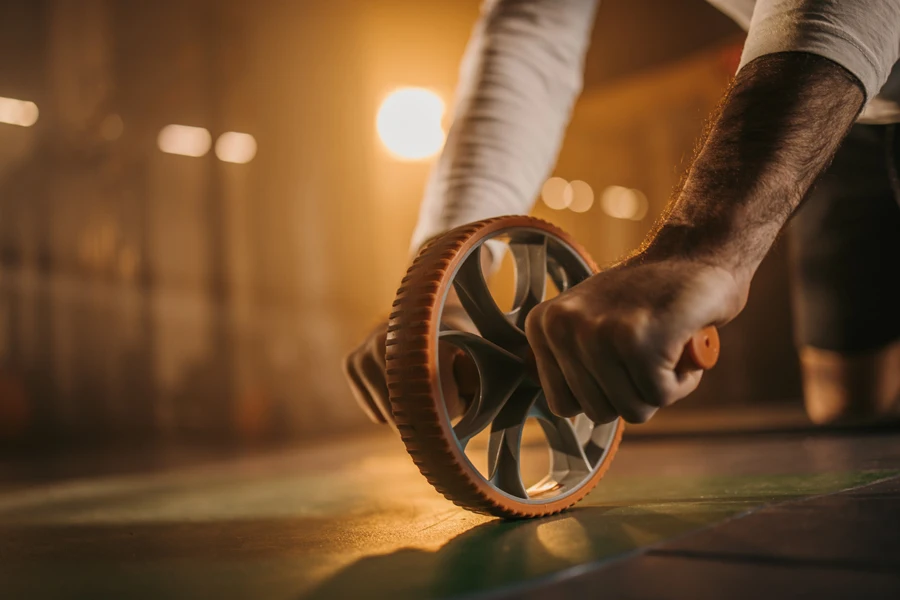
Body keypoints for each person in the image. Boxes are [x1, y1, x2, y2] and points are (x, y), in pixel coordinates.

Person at [345, 0, 900, 428]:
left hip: (837, 65)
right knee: (848, 408)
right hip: (848, 110)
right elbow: (529, 39)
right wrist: (440, 293)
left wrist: (702, 248)